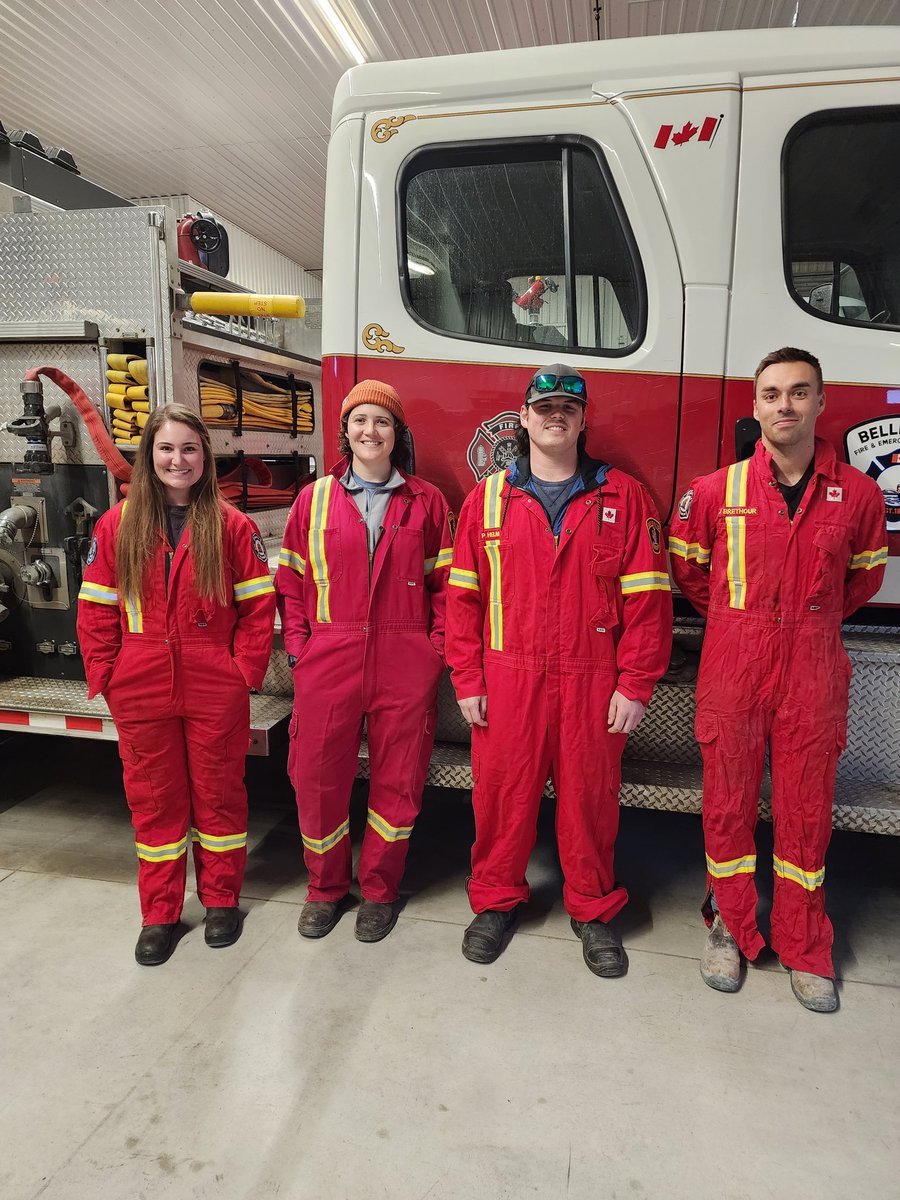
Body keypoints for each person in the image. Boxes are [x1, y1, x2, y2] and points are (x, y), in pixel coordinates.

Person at [668, 347, 887, 1012]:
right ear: (755, 407)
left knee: (805, 812)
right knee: (728, 804)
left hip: (814, 663)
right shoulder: (715, 490)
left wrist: (806, 622)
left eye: (798, 393)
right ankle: (729, 927)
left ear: (820, 404)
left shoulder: (859, 494)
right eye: (771, 394)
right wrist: (744, 620)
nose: (784, 406)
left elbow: (865, 578)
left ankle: (804, 944)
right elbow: (689, 568)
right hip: (735, 659)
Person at [445, 363, 672, 975]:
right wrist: (466, 677)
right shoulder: (487, 499)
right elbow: (460, 598)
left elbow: (648, 601)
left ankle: (594, 910)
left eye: (567, 409)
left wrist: (635, 683)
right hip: (507, 676)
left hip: (592, 678)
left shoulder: (622, 496)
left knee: (589, 802)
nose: (555, 416)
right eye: (544, 407)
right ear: (523, 418)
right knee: (501, 798)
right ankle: (495, 901)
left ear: (583, 420)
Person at [77, 403, 275, 966]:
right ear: (149, 456)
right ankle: (160, 913)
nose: (177, 459)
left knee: (219, 796)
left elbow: (258, 611)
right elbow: (95, 609)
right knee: (155, 803)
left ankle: (220, 902)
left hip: (215, 680)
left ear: (205, 458)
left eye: (189, 448)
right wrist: (109, 675)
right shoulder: (117, 525)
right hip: (139, 683)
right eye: (166, 448)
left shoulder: (233, 526)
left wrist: (243, 674)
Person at [276, 380, 452, 943]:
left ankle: (379, 889)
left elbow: (447, 585)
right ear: (345, 431)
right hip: (329, 652)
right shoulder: (313, 498)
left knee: (398, 780)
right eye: (359, 421)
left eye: (381, 421)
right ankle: (325, 889)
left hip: (404, 655)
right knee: (316, 777)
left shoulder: (427, 500)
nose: (369, 431)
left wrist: (435, 649)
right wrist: (301, 646)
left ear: (397, 433)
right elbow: (292, 581)